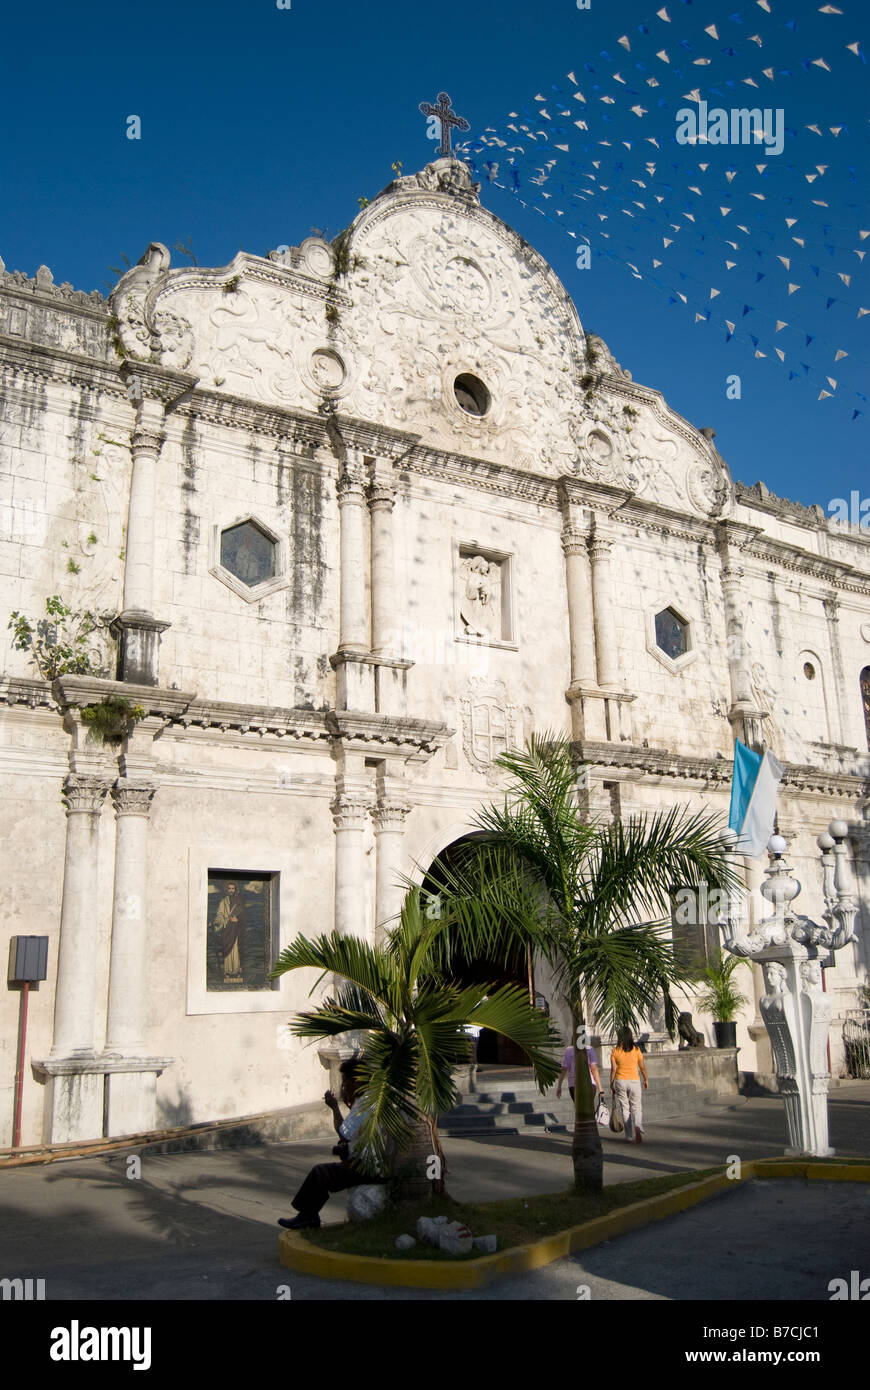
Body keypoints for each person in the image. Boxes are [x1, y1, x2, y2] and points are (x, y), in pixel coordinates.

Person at [278, 1059, 386, 1230]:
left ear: (356, 1081)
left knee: (321, 1173)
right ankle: (308, 1215)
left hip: (369, 1167)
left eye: (345, 1081)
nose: (343, 1086)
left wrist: (335, 1108)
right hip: (371, 1164)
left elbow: (344, 1133)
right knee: (326, 1172)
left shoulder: (364, 1104)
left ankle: (308, 1216)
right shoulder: (369, 1100)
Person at [610, 1027, 649, 1143]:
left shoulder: (615, 1051)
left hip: (620, 1081)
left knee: (625, 1108)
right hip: (634, 1081)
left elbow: (613, 1069)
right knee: (636, 1107)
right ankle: (637, 1125)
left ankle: (629, 1136)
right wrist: (646, 1079)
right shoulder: (636, 1050)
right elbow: (642, 1067)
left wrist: (611, 1084)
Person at [555, 1038, 602, 1105]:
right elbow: (594, 1069)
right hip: (589, 1083)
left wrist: (559, 1086)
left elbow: (563, 1069)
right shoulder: (590, 1049)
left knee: (579, 1108)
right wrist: (600, 1088)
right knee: (589, 1107)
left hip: (573, 1084)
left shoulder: (569, 1050)